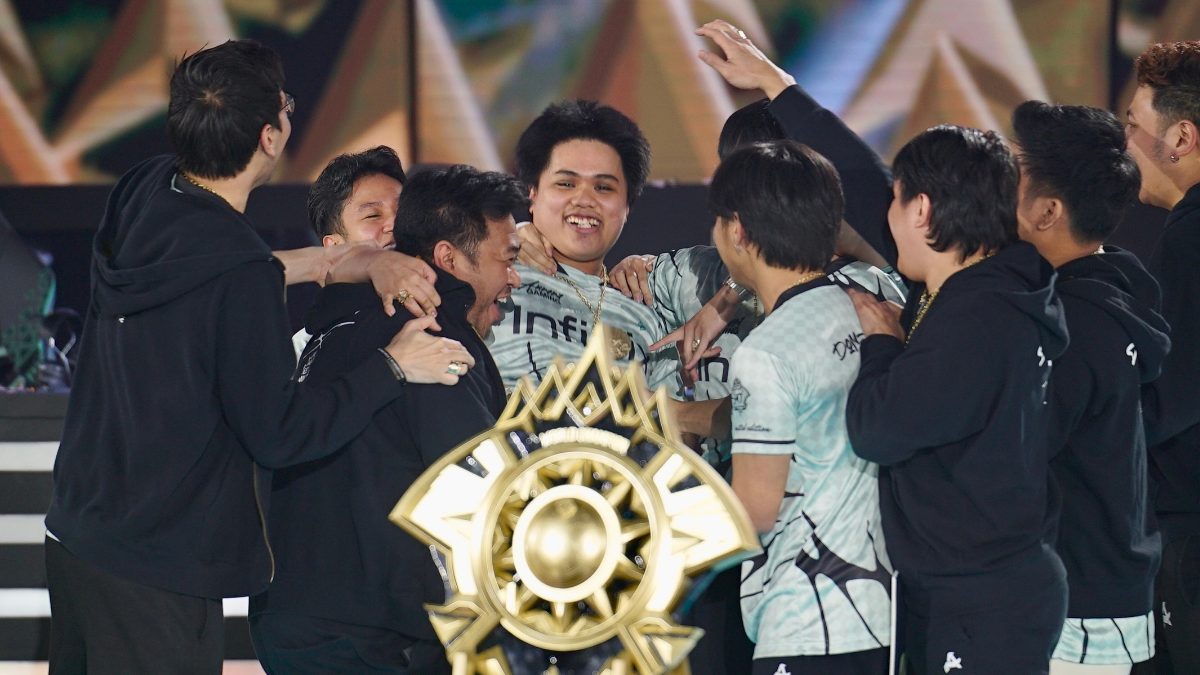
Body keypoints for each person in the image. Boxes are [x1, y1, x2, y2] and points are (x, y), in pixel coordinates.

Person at [42, 40, 475, 675]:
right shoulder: (241, 281)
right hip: (156, 567)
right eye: (286, 106)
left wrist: (333, 262)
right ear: (271, 138)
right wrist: (392, 366)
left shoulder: (144, 191)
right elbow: (282, 431)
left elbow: (212, 270)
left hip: (76, 533)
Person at [249, 165, 525, 675]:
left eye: (401, 213)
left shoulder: (329, 334)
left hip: (296, 618)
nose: (514, 278)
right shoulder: (427, 331)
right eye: (508, 259)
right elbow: (485, 489)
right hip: (370, 634)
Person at [845, 125, 1069, 675]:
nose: (886, 219)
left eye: (895, 200)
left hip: (979, 601)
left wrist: (881, 344)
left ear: (921, 210)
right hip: (991, 588)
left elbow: (876, 429)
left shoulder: (974, 317)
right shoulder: (999, 291)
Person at [711, 140, 891, 675]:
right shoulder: (874, 306)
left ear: (738, 231)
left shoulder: (766, 352)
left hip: (805, 622)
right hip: (885, 617)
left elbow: (754, 511)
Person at [1012, 101, 1168, 674]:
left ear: (1048, 210)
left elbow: (1016, 456)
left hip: (1076, 610)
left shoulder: (1071, 327)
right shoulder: (1117, 293)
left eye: (1012, 174)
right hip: (1101, 592)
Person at [489, 99, 678, 394]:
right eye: (566, 184)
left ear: (627, 206)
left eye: (603, 188)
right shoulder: (491, 276)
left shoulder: (647, 308)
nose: (585, 200)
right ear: (532, 193)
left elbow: (671, 414)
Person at [1124, 41, 1200, 675]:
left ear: (1180, 137)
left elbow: (1165, 398)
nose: (1125, 145)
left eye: (1131, 125)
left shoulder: (1189, 239)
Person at [292, 145, 407, 357]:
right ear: (334, 247)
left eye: (403, 211)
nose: (395, 224)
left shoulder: (453, 311)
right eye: (373, 216)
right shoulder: (305, 349)